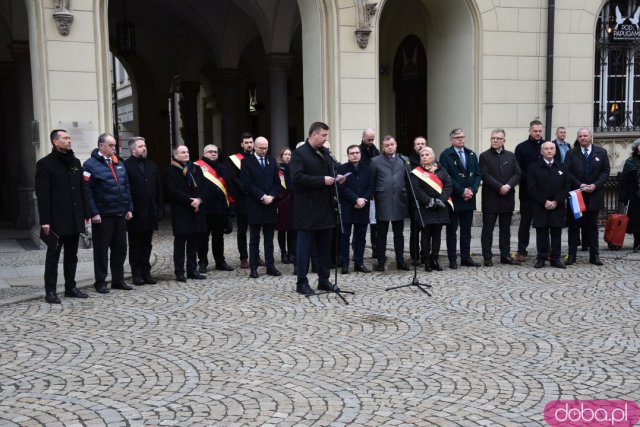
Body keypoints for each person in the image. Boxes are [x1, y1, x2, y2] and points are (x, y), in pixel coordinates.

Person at [291, 122, 345, 295]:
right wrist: (322, 180)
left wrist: (338, 177)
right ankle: (302, 282)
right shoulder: (299, 154)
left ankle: (324, 280)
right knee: (304, 249)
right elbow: (297, 178)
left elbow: (331, 170)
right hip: (307, 209)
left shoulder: (325, 153)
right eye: (323, 135)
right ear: (314, 134)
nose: (325, 139)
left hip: (326, 208)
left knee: (324, 248)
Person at [35, 129, 90, 303]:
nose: (69, 141)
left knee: (72, 255)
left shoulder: (75, 162)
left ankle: (70, 287)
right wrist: (45, 221)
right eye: (65, 138)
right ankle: (50, 291)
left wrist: (85, 212)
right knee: (53, 256)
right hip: (56, 219)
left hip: (74, 217)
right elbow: (43, 195)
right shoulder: (45, 164)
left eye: (69, 138)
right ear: (55, 142)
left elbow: (81, 188)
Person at [83, 133, 134, 294]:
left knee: (120, 249)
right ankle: (100, 282)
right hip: (103, 215)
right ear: (101, 146)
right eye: (111, 145)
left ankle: (118, 280)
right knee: (101, 250)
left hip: (120, 212)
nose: (114, 148)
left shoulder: (119, 163)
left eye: (114, 145)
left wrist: (129, 208)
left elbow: (126, 187)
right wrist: (94, 213)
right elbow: (87, 191)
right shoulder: (89, 165)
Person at [565, 128, 610, 266]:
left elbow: (605, 171)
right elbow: (567, 172)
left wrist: (595, 185)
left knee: (592, 227)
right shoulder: (571, 153)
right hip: (577, 195)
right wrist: (580, 185)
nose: (583, 138)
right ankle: (572, 255)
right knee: (573, 226)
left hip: (594, 195)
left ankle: (594, 255)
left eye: (585, 135)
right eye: (580, 136)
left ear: (591, 137)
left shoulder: (601, 152)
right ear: (577, 138)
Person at [439, 128, 482, 269]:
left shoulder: (471, 154)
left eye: (463, 137)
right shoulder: (446, 155)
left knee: (466, 231)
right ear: (451, 139)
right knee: (452, 231)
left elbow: (477, 174)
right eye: (458, 137)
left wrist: (473, 190)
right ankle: (452, 259)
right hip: (454, 199)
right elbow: (446, 176)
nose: (461, 139)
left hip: (469, 199)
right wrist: (461, 190)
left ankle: (466, 257)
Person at [124, 136, 163, 286]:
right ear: (133, 149)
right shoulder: (126, 166)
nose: (144, 148)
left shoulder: (152, 165)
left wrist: (159, 208)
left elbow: (158, 187)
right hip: (135, 212)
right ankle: (137, 274)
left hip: (150, 212)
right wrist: (129, 209)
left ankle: (146, 272)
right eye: (140, 146)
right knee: (135, 245)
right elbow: (126, 190)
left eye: (144, 145)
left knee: (147, 244)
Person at [164, 145, 208, 282]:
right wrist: (190, 201)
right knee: (180, 243)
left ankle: (192, 270)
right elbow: (171, 190)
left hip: (196, 210)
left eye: (187, 151)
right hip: (181, 211)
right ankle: (179, 272)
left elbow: (203, 186)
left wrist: (199, 200)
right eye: (183, 152)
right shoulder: (169, 171)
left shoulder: (195, 168)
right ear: (175, 155)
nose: (186, 154)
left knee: (194, 243)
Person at [241, 136, 282, 279]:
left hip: (270, 204)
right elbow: (247, 183)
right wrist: (262, 196)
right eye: (261, 148)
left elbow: (277, 183)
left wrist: (271, 196)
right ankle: (253, 267)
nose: (264, 150)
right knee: (254, 239)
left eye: (266, 147)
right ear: (255, 147)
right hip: (255, 205)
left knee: (269, 239)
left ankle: (270, 266)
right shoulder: (246, 162)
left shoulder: (271, 161)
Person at [478, 129, 521, 266]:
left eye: (498, 138)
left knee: (505, 229)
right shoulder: (484, 156)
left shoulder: (511, 156)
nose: (495, 140)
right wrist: (499, 187)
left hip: (507, 198)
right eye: (493, 138)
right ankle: (487, 256)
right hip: (491, 198)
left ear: (504, 141)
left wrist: (508, 186)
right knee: (488, 229)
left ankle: (505, 255)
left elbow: (517, 173)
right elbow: (485, 175)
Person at [370, 135, 410, 271]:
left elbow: (408, 180)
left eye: (392, 144)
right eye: (387, 145)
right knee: (381, 233)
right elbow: (372, 181)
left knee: (399, 234)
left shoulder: (404, 160)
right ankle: (381, 261)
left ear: (396, 144)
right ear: (383, 147)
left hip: (399, 200)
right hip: (383, 201)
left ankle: (400, 261)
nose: (390, 147)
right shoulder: (375, 161)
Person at [527, 141, 569, 269]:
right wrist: (544, 201)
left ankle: (555, 258)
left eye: (552, 148)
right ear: (541, 152)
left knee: (556, 232)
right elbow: (531, 188)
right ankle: (541, 257)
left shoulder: (562, 167)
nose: (549, 151)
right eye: (546, 149)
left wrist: (556, 201)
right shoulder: (534, 167)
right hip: (541, 205)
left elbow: (566, 186)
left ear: (555, 151)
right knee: (542, 232)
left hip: (558, 205)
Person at [410, 147, 452, 272]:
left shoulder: (440, 170)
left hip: (440, 208)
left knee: (437, 235)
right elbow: (417, 190)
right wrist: (430, 201)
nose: (424, 157)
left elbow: (448, 186)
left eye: (427, 154)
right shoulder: (417, 172)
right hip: (425, 208)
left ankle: (435, 260)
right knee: (426, 235)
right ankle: (427, 262)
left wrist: (441, 200)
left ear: (433, 157)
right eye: (422, 155)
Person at [195, 144, 234, 273]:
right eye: (210, 152)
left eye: (215, 152)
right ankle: (203, 262)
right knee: (203, 237)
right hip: (204, 208)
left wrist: (230, 209)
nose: (213, 154)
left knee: (218, 237)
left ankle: (220, 261)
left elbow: (229, 188)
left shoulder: (223, 168)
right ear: (204, 153)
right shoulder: (197, 167)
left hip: (220, 208)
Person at [228, 132, 263, 269]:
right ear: (242, 144)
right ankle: (244, 257)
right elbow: (234, 178)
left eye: (251, 142)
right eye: (246, 142)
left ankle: (257, 256)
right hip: (243, 199)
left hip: (256, 199)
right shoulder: (234, 159)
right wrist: (247, 189)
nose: (249, 145)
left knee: (256, 230)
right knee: (242, 231)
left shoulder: (259, 157)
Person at [337, 144, 374, 274]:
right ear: (348, 155)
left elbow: (371, 187)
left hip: (362, 207)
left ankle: (359, 263)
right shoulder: (341, 169)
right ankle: (345, 264)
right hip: (348, 206)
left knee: (361, 237)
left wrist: (363, 199)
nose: (355, 155)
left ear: (360, 154)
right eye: (352, 153)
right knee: (344, 237)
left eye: (357, 152)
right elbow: (341, 188)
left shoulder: (367, 169)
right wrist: (355, 199)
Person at [514, 120, 544, 263]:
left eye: (540, 131)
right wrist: (532, 180)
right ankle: (521, 250)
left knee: (544, 223)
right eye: (535, 131)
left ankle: (544, 250)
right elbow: (518, 170)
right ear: (530, 130)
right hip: (527, 192)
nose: (537, 133)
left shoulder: (548, 146)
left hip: (544, 192)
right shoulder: (521, 148)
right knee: (525, 223)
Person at [358, 128, 380, 259]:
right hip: (362, 190)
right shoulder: (359, 151)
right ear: (363, 137)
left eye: (372, 139)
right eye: (368, 139)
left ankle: (376, 250)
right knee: (360, 224)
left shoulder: (375, 150)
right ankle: (357, 251)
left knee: (375, 224)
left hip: (374, 190)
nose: (371, 142)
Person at [408, 136, 427, 266]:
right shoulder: (409, 162)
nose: (420, 146)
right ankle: (414, 255)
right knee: (415, 230)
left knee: (427, 230)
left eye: (423, 143)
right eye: (418, 144)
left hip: (428, 201)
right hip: (414, 200)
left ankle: (426, 254)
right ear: (414, 147)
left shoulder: (432, 161)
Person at [276, 147, 296, 265]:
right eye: (285, 154)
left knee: (292, 230)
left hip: (292, 202)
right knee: (282, 230)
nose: (288, 156)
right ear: (281, 156)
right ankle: (283, 253)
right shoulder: (277, 169)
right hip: (281, 202)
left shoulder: (294, 168)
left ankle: (291, 253)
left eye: (290, 154)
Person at [620, 139, 640, 250]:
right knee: (636, 220)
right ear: (636, 148)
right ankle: (637, 242)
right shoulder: (630, 161)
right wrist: (624, 196)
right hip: (635, 195)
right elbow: (624, 180)